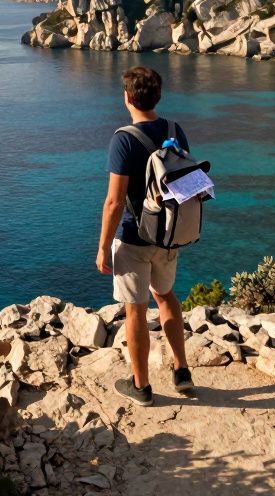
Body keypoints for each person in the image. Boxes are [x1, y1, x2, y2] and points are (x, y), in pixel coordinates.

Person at [96, 66, 193, 406]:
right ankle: (182, 371)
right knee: (166, 296)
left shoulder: (123, 139)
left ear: (127, 98)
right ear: (158, 96)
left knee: (135, 310)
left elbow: (114, 201)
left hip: (134, 238)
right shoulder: (174, 129)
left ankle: (141, 386)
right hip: (168, 235)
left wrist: (103, 246)